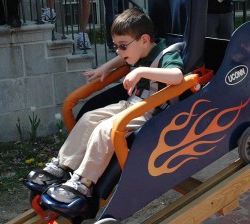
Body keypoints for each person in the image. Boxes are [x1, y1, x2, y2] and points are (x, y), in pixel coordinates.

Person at [36, 8, 184, 204]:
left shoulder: (167, 54)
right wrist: (105, 67)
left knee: (107, 129)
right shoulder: (139, 50)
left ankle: (83, 183)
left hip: (151, 111)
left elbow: (178, 76)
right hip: (132, 104)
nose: (119, 51)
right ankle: (63, 166)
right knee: (89, 117)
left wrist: (141, 72)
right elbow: (123, 57)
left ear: (145, 40)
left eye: (123, 46)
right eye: (116, 46)